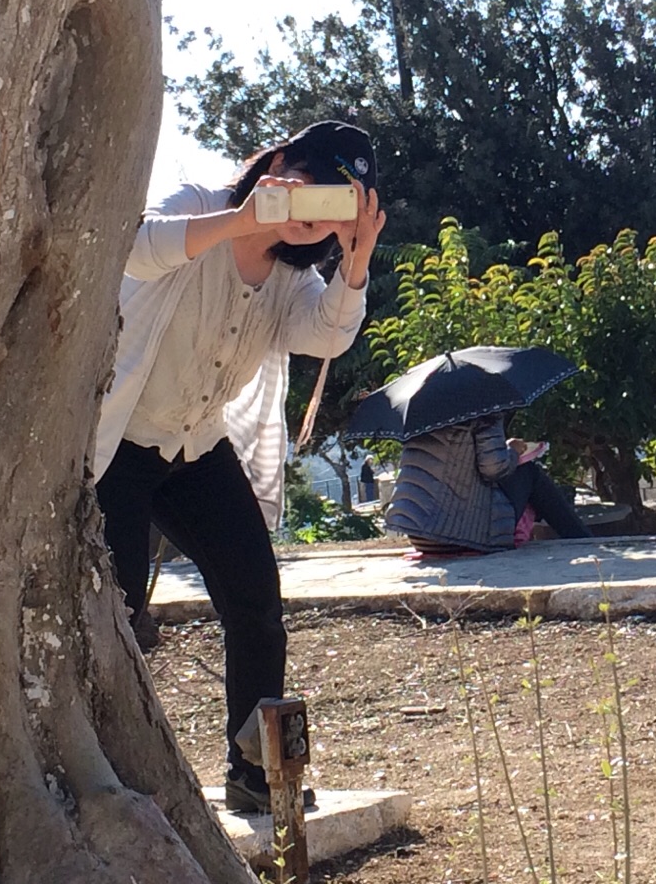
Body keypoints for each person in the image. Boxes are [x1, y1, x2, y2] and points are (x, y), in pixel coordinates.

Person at [91, 120, 384, 813]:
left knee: (256, 600)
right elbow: (134, 248)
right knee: (114, 607)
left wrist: (356, 263)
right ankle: (103, 770)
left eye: (337, 207)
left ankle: (257, 773)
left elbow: (326, 337)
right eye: (311, 191)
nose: (314, 218)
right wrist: (241, 221)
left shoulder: (295, 278)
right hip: (118, 443)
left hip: (196, 448)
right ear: (278, 164)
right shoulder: (199, 206)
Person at [384, 413, 593, 555]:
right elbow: (494, 469)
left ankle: (580, 537)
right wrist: (512, 450)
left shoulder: (418, 418)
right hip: (463, 537)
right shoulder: (484, 414)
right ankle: (582, 540)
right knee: (529, 473)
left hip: (421, 537)